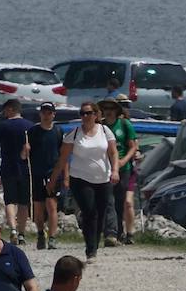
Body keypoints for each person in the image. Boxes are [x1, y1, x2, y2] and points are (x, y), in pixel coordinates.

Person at [48, 103, 118, 262]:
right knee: (89, 211)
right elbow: (63, 159)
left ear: (96, 114)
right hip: (80, 178)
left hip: (103, 178)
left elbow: (113, 153)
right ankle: (90, 249)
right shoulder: (74, 134)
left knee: (100, 213)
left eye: (89, 113)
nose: (85, 116)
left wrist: (115, 171)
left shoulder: (105, 131)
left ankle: (95, 241)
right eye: (82, 113)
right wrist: (54, 180)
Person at [0, 98, 34, 245]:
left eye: (5, 110)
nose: (4, 113)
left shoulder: (3, 126)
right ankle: (22, 233)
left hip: (8, 167)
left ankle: (13, 230)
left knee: (10, 200)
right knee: (23, 202)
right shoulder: (30, 126)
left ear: (10, 109)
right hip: (25, 168)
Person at [98, 97, 137, 245]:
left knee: (120, 202)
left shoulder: (124, 125)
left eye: (111, 109)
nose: (108, 112)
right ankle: (110, 233)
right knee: (109, 200)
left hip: (123, 168)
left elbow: (132, 146)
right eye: (105, 109)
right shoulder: (100, 127)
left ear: (116, 111)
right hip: (105, 168)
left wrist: (123, 161)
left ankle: (120, 232)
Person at [27, 103, 64, 250]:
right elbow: (24, 155)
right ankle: (41, 233)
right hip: (37, 173)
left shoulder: (58, 131)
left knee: (51, 205)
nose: (46, 115)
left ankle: (53, 237)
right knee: (38, 207)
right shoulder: (33, 132)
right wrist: (25, 150)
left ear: (53, 114)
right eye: (44, 113)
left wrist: (65, 175)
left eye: (49, 113)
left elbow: (63, 155)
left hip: (52, 173)